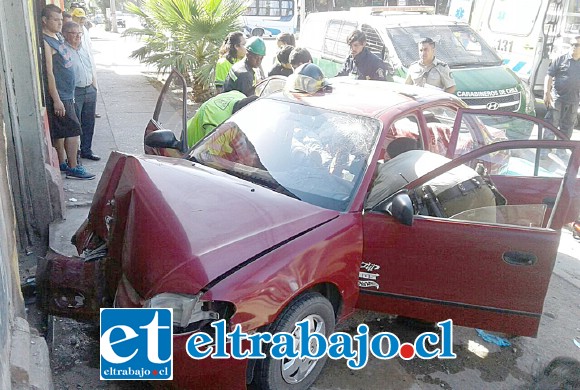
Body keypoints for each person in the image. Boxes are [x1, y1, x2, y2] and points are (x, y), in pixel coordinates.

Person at [42, 5, 94, 180]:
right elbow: (49, 73)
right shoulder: (46, 42)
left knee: (63, 131)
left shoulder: (56, 37)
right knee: (73, 131)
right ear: (45, 21)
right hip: (62, 95)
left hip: (68, 93)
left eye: (60, 20)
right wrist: (56, 99)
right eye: (55, 20)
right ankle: (73, 167)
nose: (59, 23)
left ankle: (63, 162)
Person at [365, 148, 496, 217]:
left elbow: (369, 214)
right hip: (480, 184)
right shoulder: (411, 154)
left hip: (456, 198)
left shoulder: (387, 176)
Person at [63, 21, 100, 161]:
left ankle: (86, 150)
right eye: (74, 33)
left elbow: (91, 65)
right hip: (75, 91)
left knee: (89, 121)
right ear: (65, 34)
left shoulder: (84, 48)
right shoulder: (63, 50)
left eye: (80, 33)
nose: (78, 36)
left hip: (89, 88)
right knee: (75, 124)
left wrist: (94, 85)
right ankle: (74, 153)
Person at [186, 91, 258, 147]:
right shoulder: (219, 124)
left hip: (193, 123)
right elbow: (209, 156)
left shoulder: (238, 95)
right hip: (190, 142)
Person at [543, 36, 580, 140]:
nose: (574, 47)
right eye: (572, 44)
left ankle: (562, 150)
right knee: (551, 124)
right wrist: (547, 92)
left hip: (574, 100)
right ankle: (545, 150)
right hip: (557, 98)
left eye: (577, 45)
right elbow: (549, 75)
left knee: (567, 127)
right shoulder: (561, 59)